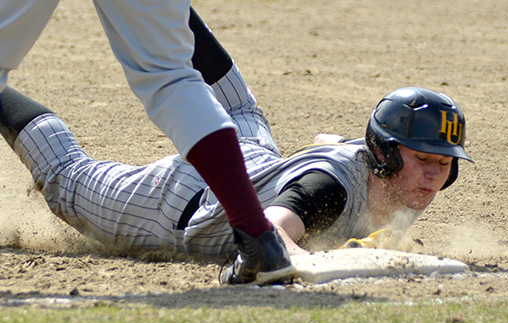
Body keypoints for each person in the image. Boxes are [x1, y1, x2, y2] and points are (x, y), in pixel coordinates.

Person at [0, 8, 473, 285]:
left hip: (252, 154)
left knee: (240, 103)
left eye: (444, 164)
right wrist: (307, 261)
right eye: (423, 160)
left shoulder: (388, 175)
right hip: (183, 199)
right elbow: (272, 227)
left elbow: (326, 141)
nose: (435, 175)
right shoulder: (327, 189)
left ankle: (163, 13)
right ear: (386, 155)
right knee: (68, 179)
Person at [0, 3, 292, 284]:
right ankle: (257, 237)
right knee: (171, 77)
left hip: (182, 207)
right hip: (216, 200)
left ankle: (257, 234)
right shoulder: (329, 164)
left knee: (69, 176)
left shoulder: (331, 164)